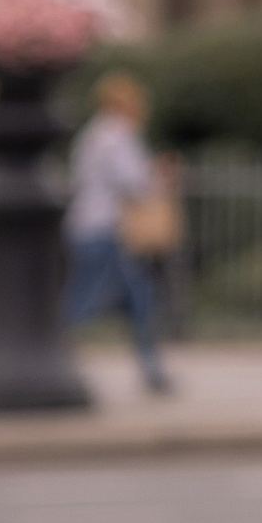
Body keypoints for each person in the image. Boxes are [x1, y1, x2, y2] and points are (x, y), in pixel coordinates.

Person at [65, 70, 172, 393]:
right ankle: (44, 354)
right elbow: (133, 182)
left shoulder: (92, 133)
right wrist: (159, 175)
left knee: (137, 297)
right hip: (107, 228)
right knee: (85, 300)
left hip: (87, 225)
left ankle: (152, 370)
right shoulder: (117, 134)